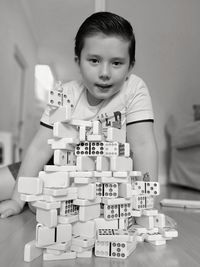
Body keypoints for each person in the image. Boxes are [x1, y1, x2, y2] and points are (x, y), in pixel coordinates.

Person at [0, 11, 158, 218]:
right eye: (94, 60)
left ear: (130, 66)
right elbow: (39, 148)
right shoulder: (65, 93)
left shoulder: (134, 88)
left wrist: (146, 204)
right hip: (56, 168)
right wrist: (17, 200)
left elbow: (143, 145)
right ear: (78, 62)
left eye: (117, 63)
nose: (104, 73)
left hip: (109, 180)